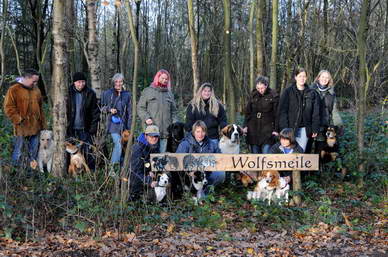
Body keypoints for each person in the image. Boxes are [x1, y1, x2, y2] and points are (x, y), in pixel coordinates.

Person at [3, 69, 46, 167]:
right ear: (26, 78)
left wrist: (43, 125)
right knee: (18, 152)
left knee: (33, 153)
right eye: (34, 81)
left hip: (35, 127)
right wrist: (18, 119)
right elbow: (8, 107)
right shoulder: (14, 89)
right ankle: (15, 173)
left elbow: (41, 108)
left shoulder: (36, 90)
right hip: (21, 128)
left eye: (36, 81)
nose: (35, 83)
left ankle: (31, 173)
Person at [176, 120, 225, 195]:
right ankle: (191, 192)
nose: (200, 134)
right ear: (193, 132)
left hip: (207, 173)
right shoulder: (185, 144)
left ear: (206, 132)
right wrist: (189, 172)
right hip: (190, 175)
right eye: (198, 131)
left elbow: (220, 158)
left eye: (203, 131)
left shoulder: (211, 143)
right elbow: (177, 161)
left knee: (221, 174)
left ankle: (206, 190)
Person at [278, 68, 320, 152]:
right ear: (295, 77)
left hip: (305, 129)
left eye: (304, 76)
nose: (302, 78)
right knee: (288, 153)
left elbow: (315, 113)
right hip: (290, 129)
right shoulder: (288, 92)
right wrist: (284, 129)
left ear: (307, 78)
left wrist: (315, 128)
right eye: (300, 76)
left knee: (300, 153)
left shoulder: (312, 93)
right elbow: (282, 111)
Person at [137, 69, 178, 153]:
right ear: (157, 77)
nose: (164, 80)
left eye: (166, 79)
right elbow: (141, 108)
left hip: (165, 132)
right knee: (149, 155)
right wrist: (146, 118)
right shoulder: (148, 91)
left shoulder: (169, 94)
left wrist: (175, 124)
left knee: (161, 156)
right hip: (151, 130)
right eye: (162, 78)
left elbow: (174, 112)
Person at [66, 72, 100, 169]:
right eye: (79, 82)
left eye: (83, 82)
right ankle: (70, 171)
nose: (81, 84)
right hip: (71, 128)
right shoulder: (68, 92)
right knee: (70, 151)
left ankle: (89, 172)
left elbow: (95, 112)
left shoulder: (90, 93)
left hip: (85, 128)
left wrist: (93, 129)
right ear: (74, 83)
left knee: (87, 150)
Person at [305, 70, 343, 153]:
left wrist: (338, 125)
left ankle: (318, 165)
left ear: (329, 80)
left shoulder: (331, 93)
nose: (324, 79)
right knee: (306, 149)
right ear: (318, 78)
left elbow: (334, 111)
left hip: (323, 125)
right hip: (310, 124)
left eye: (327, 78)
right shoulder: (309, 90)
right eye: (323, 77)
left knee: (319, 150)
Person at [101, 73, 132, 165]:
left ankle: (122, 166)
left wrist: (129, 127)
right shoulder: (107, 93)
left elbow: (130, 112)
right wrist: (109, 109)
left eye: (120, 81)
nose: (118, 83)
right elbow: (101, 108)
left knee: (124, 146)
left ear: (123, 82)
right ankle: (113, 167)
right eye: (116, 81)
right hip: (112, 125)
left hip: (124, 125)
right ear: (113, 82)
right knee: (118, 143)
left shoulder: (127, 95)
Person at [243, 76, 279, 154]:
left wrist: (276, 130)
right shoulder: (253, 95)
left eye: (262, 88)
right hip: (253, 130)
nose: (260, 90)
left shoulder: (273, 96)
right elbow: (247, 112)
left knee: (266, 155)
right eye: (258, 88)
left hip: (267, 130)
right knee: (255, 157)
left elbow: (277, 115)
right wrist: (245, 126)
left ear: (266, 85)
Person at [128, 125, 160, 200]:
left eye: (156, 136)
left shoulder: (155, 147)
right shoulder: (138, 148)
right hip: (135, 182)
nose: (154, 138)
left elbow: (153, 164)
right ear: (145, 136)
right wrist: (148, 181)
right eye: (151, 136)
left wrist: (150, 171)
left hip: (147, 177)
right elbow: (134, 171)